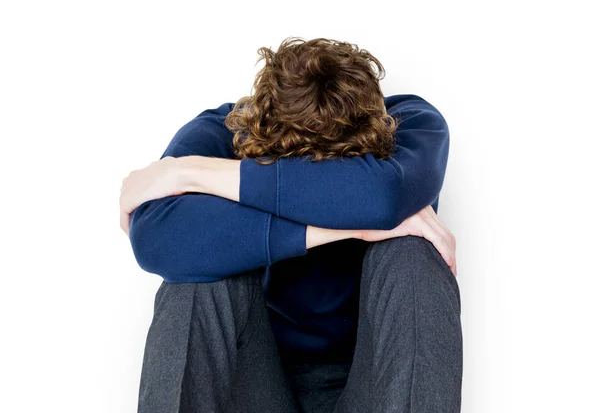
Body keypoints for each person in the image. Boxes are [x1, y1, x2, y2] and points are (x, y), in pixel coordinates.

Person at [120, 36, 463, 413]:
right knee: (195, 277)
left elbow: (383, 196)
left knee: (412, 255)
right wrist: (350, 225)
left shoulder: (410, 125)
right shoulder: (227, 131)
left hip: (376, 386)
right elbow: (157, 239)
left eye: (340, 172)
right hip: (256, 380)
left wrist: (191, 173)